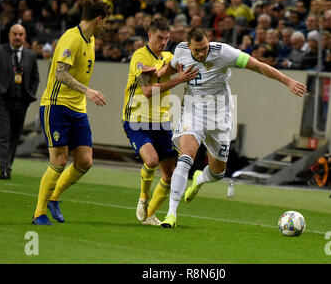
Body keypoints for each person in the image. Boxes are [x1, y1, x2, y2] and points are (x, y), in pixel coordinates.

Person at [156, 28, 307, 228]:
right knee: (185, 158)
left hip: (220, 116)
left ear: (209, 40)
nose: (201, 54)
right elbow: (170, 69)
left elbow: (258, 66)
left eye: (204, 49)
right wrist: (157, 74)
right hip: (192, 113)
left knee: (218, 173)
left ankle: (200, 179)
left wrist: (287, 81)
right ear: (189, 45)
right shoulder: (181, 51)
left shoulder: (224, 52)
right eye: (196, 51)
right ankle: (171, 214)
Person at [32, 0, 111, 225]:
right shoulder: (71, 38)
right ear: (98, 19)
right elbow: (60, 73)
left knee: (85, 161)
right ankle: (39, 213)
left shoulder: (91, 39)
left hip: (78, 109)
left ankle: (53, 198)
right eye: (104, 21)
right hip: (56, 105)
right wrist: (87, 91)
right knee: (59, 158)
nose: (105, 25)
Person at [122, 18, 199, 226]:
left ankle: (149, 215)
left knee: (170, 174)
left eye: (167, 38)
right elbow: (147, 91)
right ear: (149, 35)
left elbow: (181, 68)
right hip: (137, 120)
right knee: (152, 161)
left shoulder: (168, 57)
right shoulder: (140, 57)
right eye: (159, 38)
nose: (163, 42)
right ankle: (143, 198)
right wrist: (178, 80)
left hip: (162, 124)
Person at [0, 24, 40, 180]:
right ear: (9, 35)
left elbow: (36, 78)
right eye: (15, 34)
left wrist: (30, 94)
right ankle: (4, 169)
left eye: (21, 34)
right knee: (4, 134)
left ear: (25, 36)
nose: (18, 37)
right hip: (2, 100)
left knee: (15, 136)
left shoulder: (31, 56)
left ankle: (8, 166)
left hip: (21, 102)